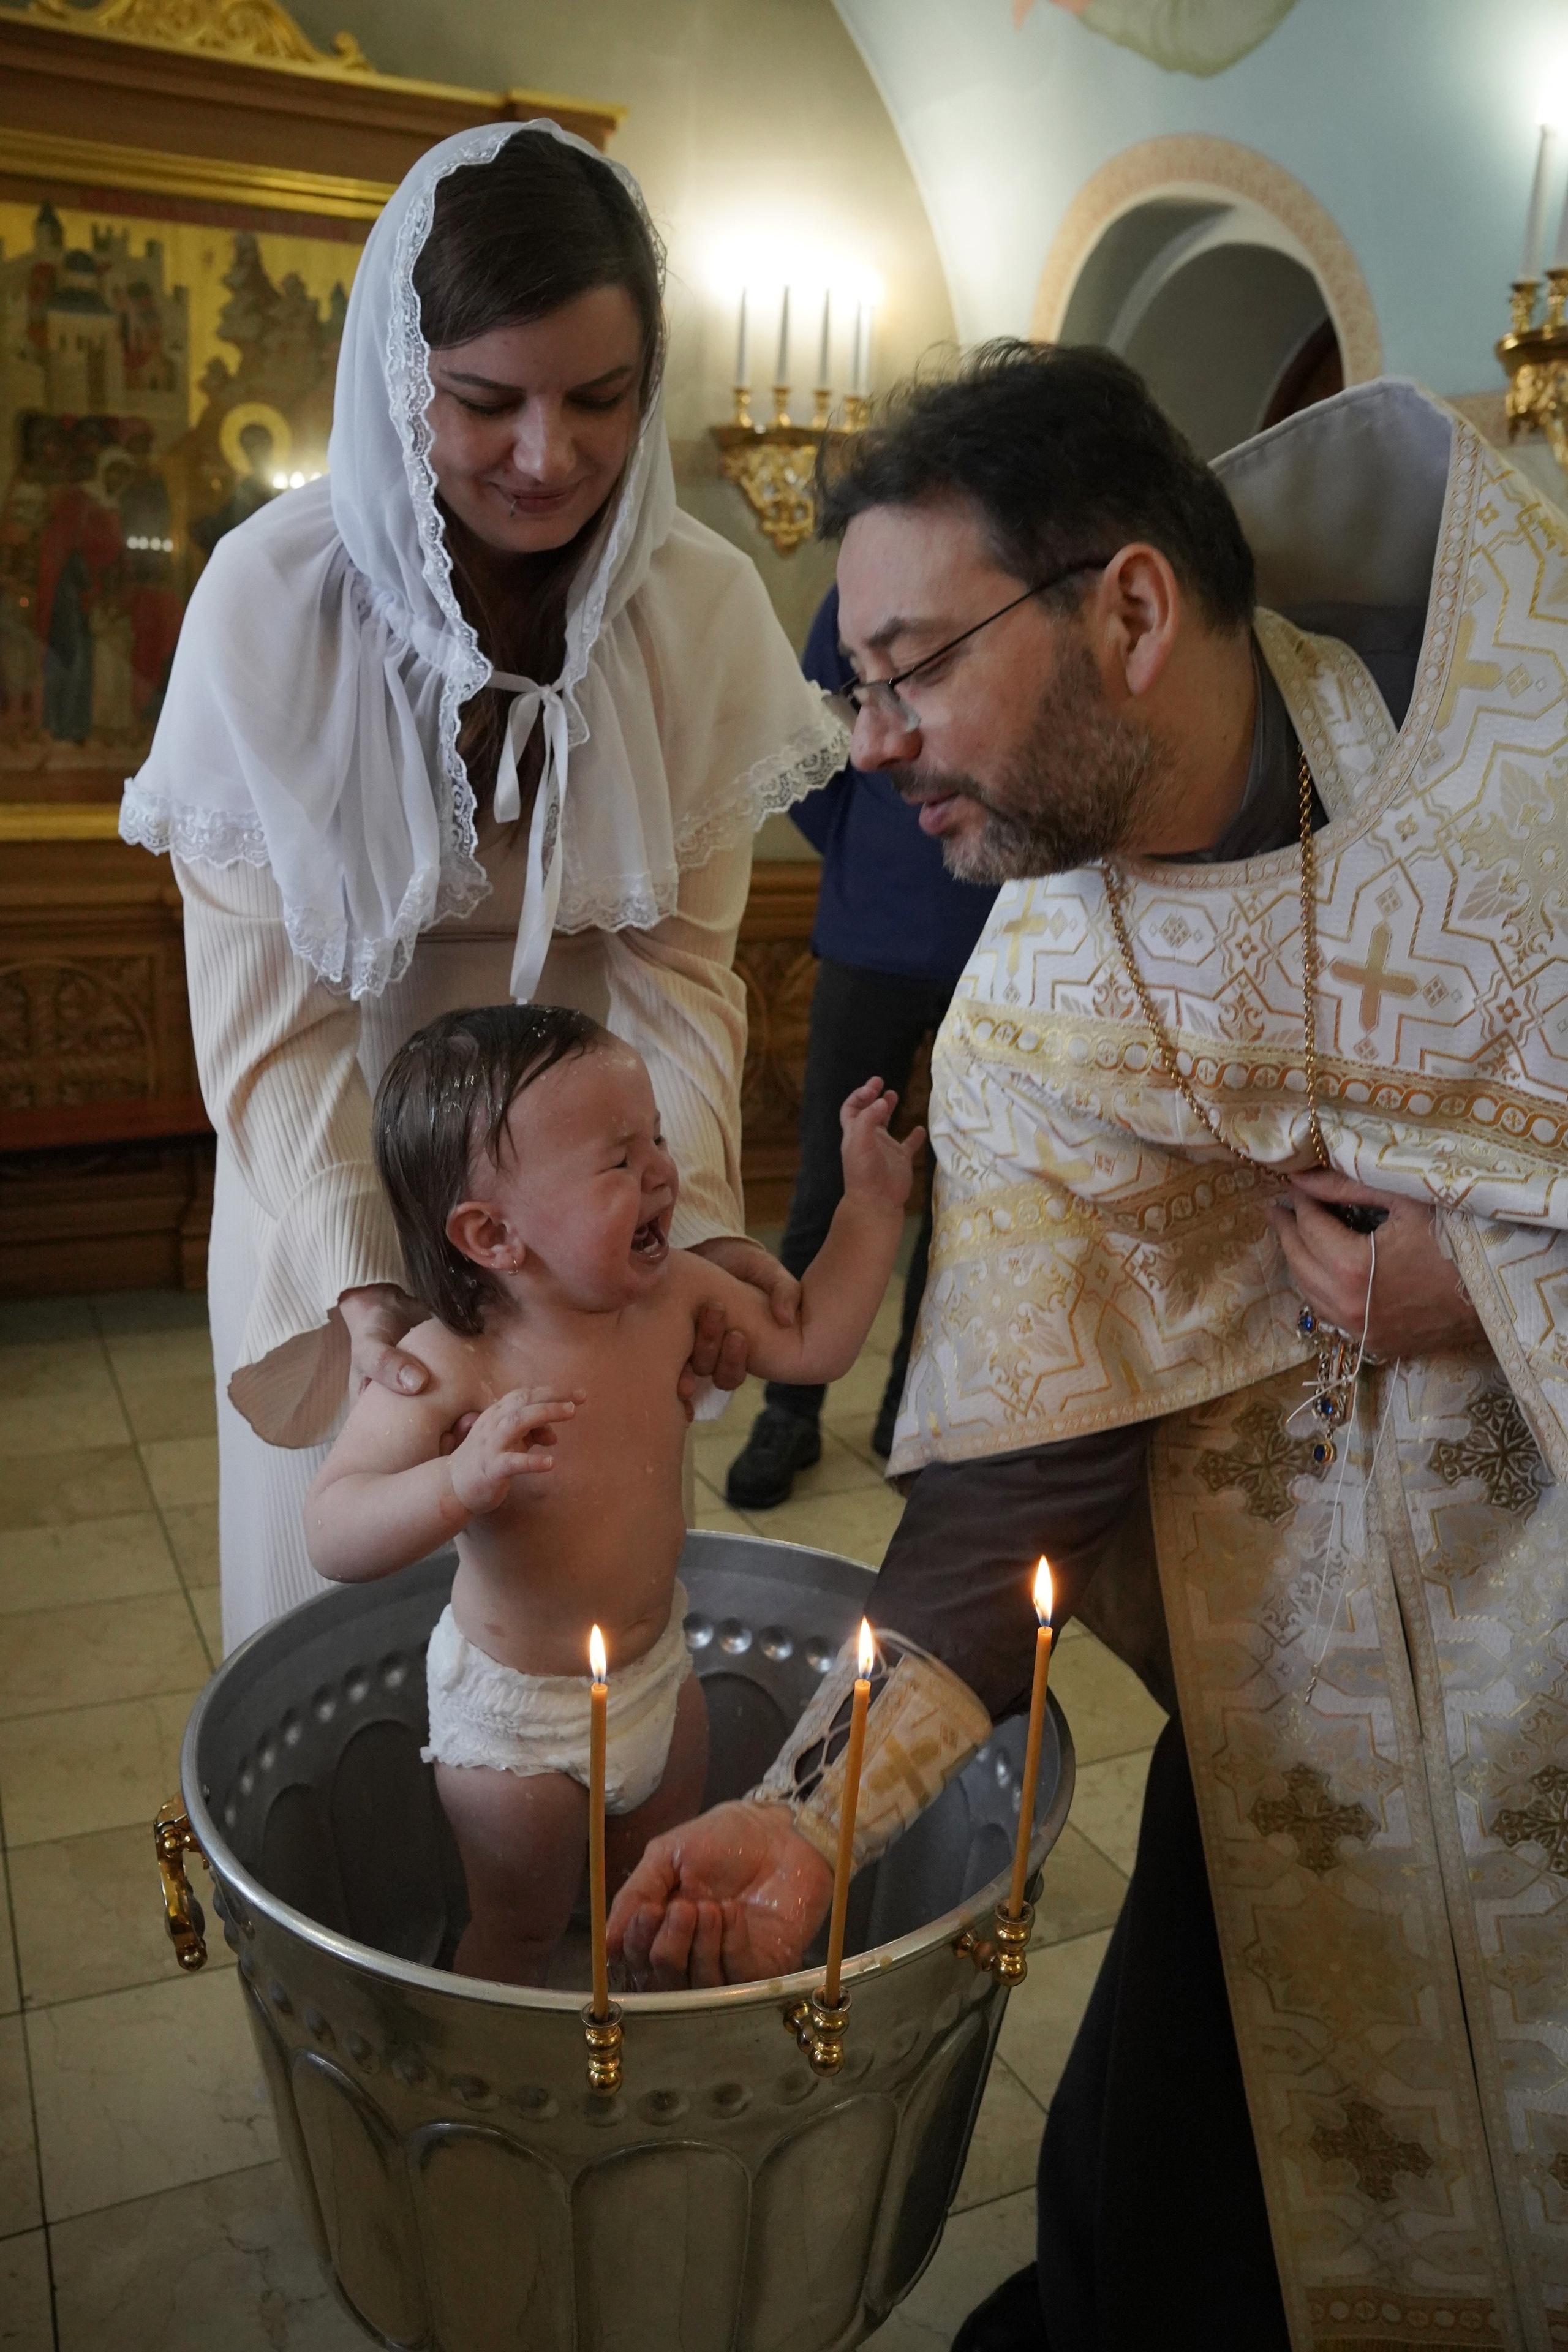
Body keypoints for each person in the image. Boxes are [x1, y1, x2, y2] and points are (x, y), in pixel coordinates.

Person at [609, 345, 1568, 2346]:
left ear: (1129, 609)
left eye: (909, 669)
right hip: (1297, 1754)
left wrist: (1492, 1285)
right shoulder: (1044, 992)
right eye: (851, 685)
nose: (864, 746)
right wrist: (810, 1814)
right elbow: (1016, 1482)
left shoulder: (1530, 748)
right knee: (1158, 2241)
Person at [121, 121, 845, 1654]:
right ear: (403, 382)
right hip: (342, 1179)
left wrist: (682, 1221)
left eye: (599, 399)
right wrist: (369, 1286)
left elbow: (678, 981)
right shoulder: (272, 600)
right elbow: (272, 1020)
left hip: (584, 1212)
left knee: (576, 1604)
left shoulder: (697, 607)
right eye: (484, 401)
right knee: (355, 1606)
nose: (547, 455)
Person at [304, 1002, 919, 1983]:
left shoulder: (677, 1293)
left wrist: (870, 1211)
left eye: (658, 1142)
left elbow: (816, 1344)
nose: (664, 1175)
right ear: (493, 1233)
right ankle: (504, 2083)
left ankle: (626, 2046)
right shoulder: (449, 1364)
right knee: (522, 1926)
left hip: (655, 1679)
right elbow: (332, 1529)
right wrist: (454, 1482)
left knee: (649, 1896)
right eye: (620, 1161)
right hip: (514, 1723)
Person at [725, 584, 995, 1507]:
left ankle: (907, 1409)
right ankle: (789, 1409)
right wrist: (853, 837)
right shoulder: (858, 587)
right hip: (867, 931)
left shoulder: (1008, 570)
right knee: (827, 1184)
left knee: (962, 1196)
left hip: (1000, 941)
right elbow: (811, 739)